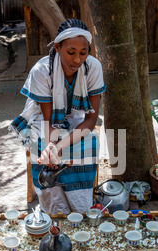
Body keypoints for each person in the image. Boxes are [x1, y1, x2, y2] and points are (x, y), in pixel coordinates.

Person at [10, 19, 106, 214]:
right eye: (71, 52)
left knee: (89, 144)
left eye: (83, 52)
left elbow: (90, 121)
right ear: (57, 47)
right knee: (42, 150)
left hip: (78, 117)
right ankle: (56, 212)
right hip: (43, 120)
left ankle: (79, 209)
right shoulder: (42, 71)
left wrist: (60, 146)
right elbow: (48, 121)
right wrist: (51, 147)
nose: (78, 60)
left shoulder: (93, 67)